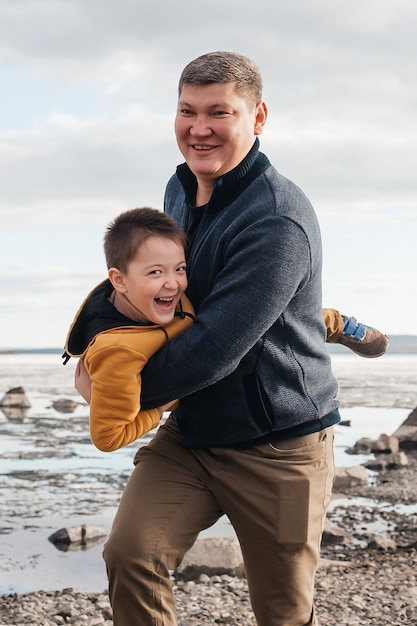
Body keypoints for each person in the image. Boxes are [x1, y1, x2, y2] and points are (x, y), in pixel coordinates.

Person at [76, 52, 386, 626]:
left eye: (219, 112)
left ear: (258, 117)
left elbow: (216, 347)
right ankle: (331, 321)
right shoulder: (179, 188)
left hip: (279, 445)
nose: (199, 128)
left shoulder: (276, 219)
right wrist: (92, 350)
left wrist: (120, 393)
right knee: (131, 555)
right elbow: (148, 284)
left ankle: (332, 323)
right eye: (186, 111)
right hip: (195, 434)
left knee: (283, 611)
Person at [64, 207, 195, 452]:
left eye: (180, 268)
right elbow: (108, 438)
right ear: (119, 281)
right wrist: (158, 409)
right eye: (155, 272)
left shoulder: (149, 297)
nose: (173, 283)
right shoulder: (117, 352)